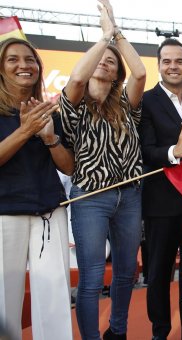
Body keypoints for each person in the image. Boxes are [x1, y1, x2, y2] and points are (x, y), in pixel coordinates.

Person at [60, 1, 147, 338]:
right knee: (93, 277)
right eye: (100, 58)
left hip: (129, 197)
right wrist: (104, 38)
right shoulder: (74, 103)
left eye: (111, 61)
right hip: (89, 199)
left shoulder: (127, 104)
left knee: (126, 272)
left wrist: (117, 34)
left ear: (116, 74)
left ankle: (118, 330)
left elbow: (140, 73)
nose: (105, 62)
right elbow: (78, 76)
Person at [0, 37, 74, 340]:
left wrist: (48, 137)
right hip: (5, 215)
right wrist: (25, 130)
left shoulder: (50, 112)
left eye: (29, 59)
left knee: (55, 296)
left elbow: (68, 167)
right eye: (13, 59)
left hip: (49, 212)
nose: (23, 65)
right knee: (5, 302)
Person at [138, 38, 182, 340]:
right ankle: (160, 331)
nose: (173, 66)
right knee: (158, 273)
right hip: (160, 202)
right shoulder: (145, 101)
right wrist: (174, 152)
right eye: (166, 61)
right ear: (158, 66)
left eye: (178, 61)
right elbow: (144, 150)